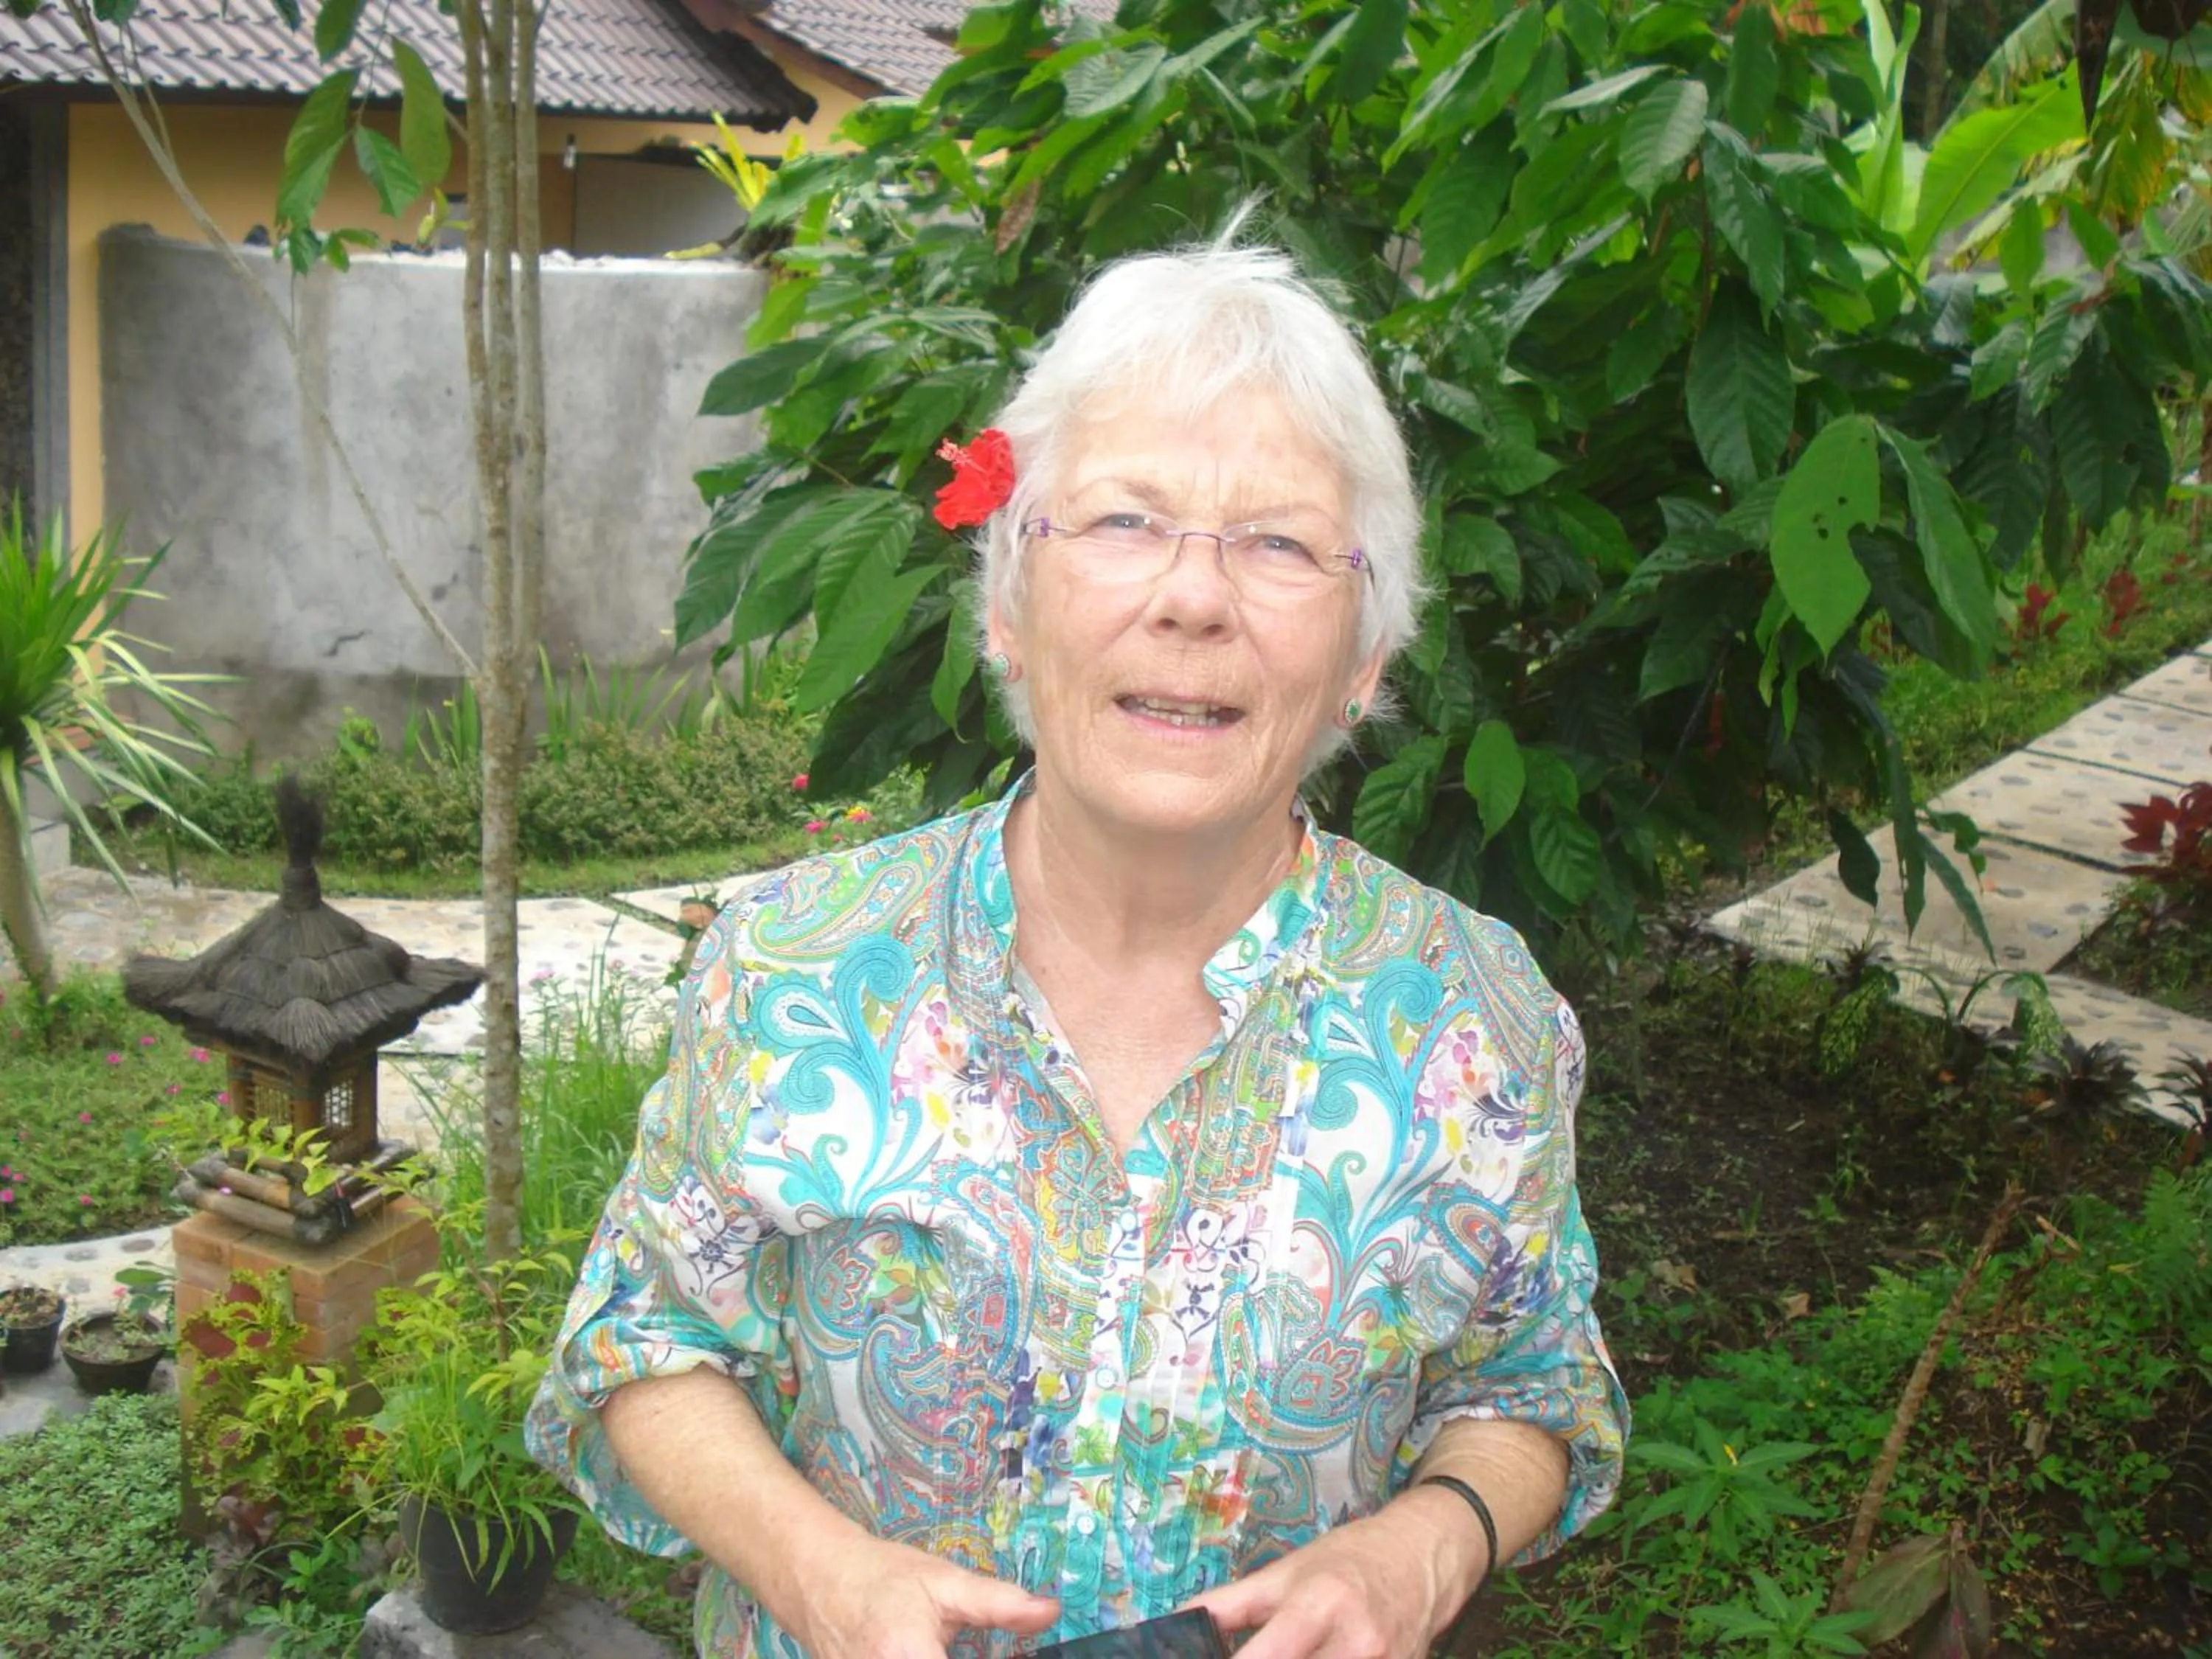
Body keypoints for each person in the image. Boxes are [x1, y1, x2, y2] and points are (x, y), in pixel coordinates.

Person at [526, 237, 1628, 1659]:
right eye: (1123, 522)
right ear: (1008, 604)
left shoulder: (1480, 1020)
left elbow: (1534, 1386)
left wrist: (1427, 1544)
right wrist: (822, 1578)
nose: (1193, 597)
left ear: (1365, 656)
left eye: (1281, 543)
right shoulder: (791, 965)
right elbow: (642, 1340)